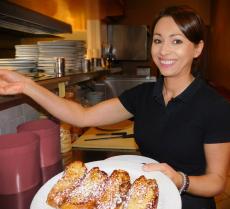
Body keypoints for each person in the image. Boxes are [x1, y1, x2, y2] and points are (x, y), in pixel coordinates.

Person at [0, 5, 229, 209]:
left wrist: (180, 179)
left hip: (190, 201)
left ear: (197, 48)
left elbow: (216, 181)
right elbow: (81, 116)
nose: (163, 50)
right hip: (146, 199)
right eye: (158, 40)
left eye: (176, 41)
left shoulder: (215, 106)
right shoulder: (143, 95)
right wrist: (27, 86)